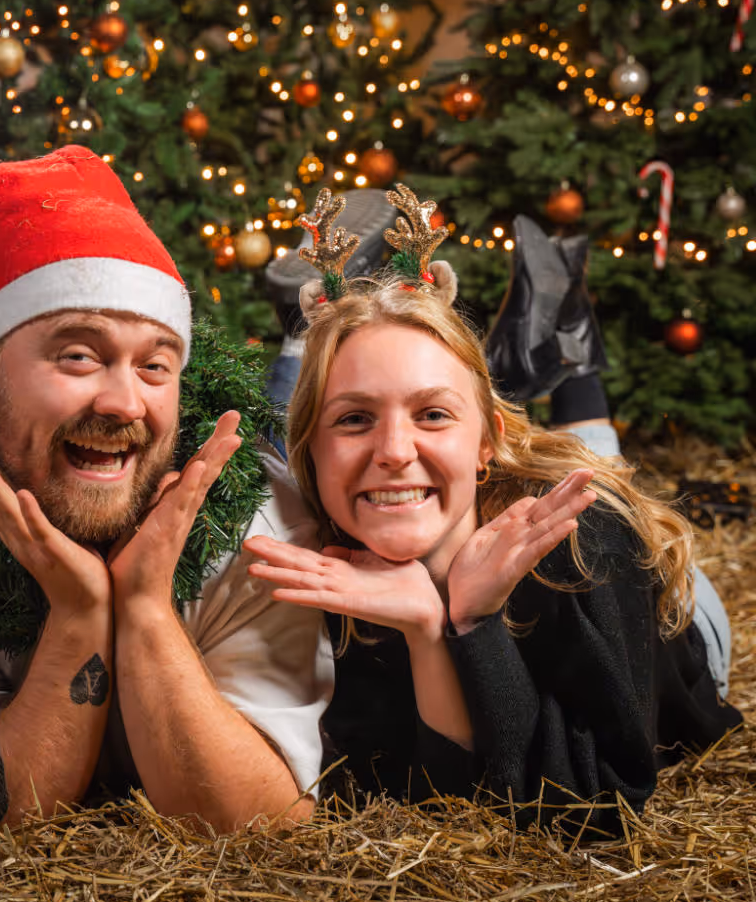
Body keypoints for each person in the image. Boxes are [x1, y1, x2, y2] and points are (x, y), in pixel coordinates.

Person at [0, 145, 333, 849]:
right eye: (79, 355)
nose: (125, 402)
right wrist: (80, 616)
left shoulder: (259, 521)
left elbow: (260, 823)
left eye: (155, 365)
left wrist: (147, 609)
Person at [244, 186, 742, 835]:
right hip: (469, 482)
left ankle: (568, 339)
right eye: (355, 418)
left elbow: (598, 803)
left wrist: (473, 620)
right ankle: (553, 341)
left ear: (486, 446)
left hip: (671, 619)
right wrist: (429, 630)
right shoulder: (318, 556)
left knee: (593, 469)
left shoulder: (579, 542)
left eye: (432, 413)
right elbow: (434, 788)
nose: (393, 451)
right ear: (310, 456)